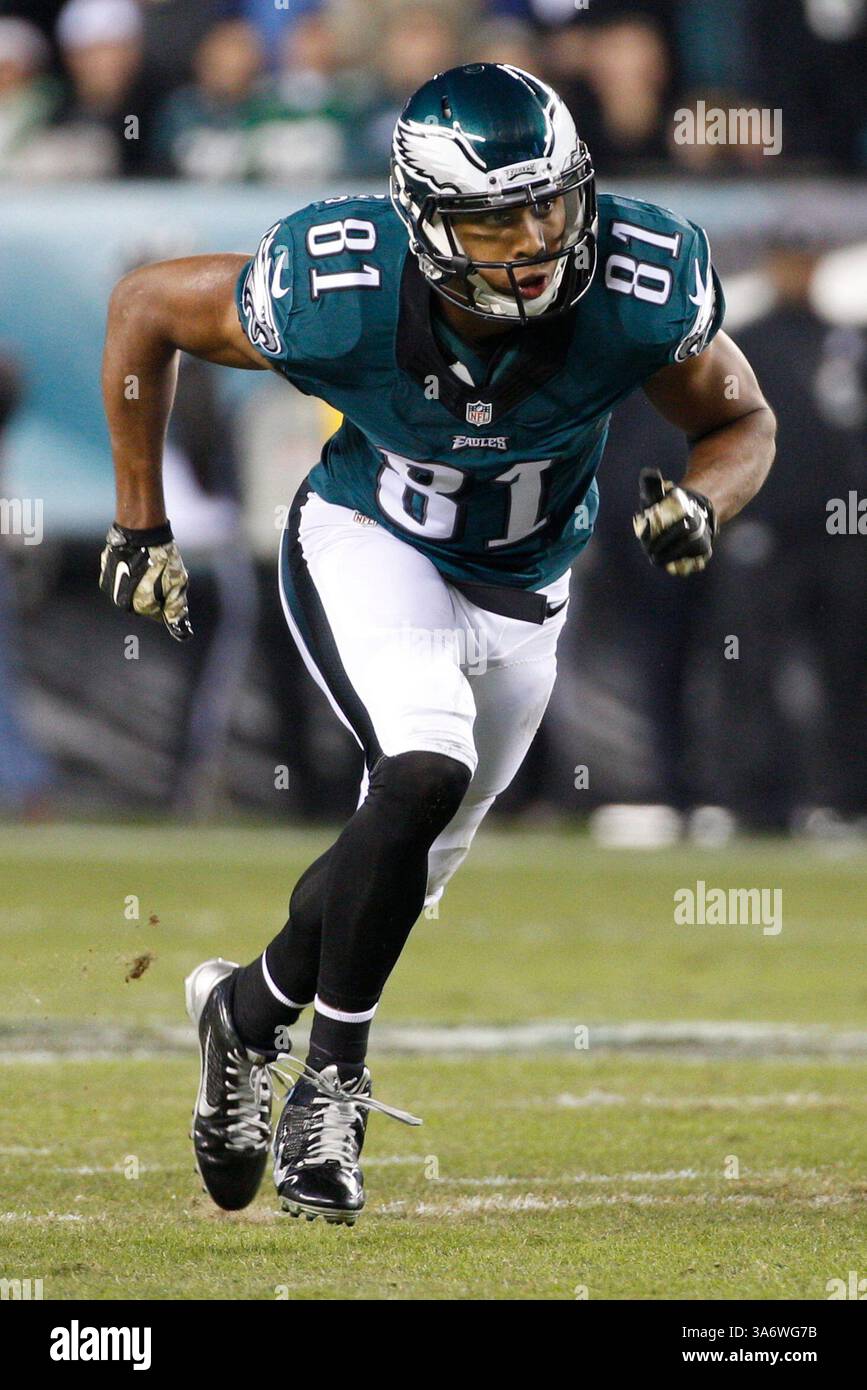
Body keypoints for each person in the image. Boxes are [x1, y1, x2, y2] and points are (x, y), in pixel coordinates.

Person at [98, 62, 775, 1223]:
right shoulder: (339, 286)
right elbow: (147, 307)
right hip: (373, 540)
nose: (531, 240)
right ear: (423, 219)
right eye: (493, 216)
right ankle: (337, 1087)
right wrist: (140, 520)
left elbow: (740, 417)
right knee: (422, 767)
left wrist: (708, 503)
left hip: (529, 590)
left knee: (397, 864)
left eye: (548, 205)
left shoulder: (637, 277)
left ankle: (246, 1015)